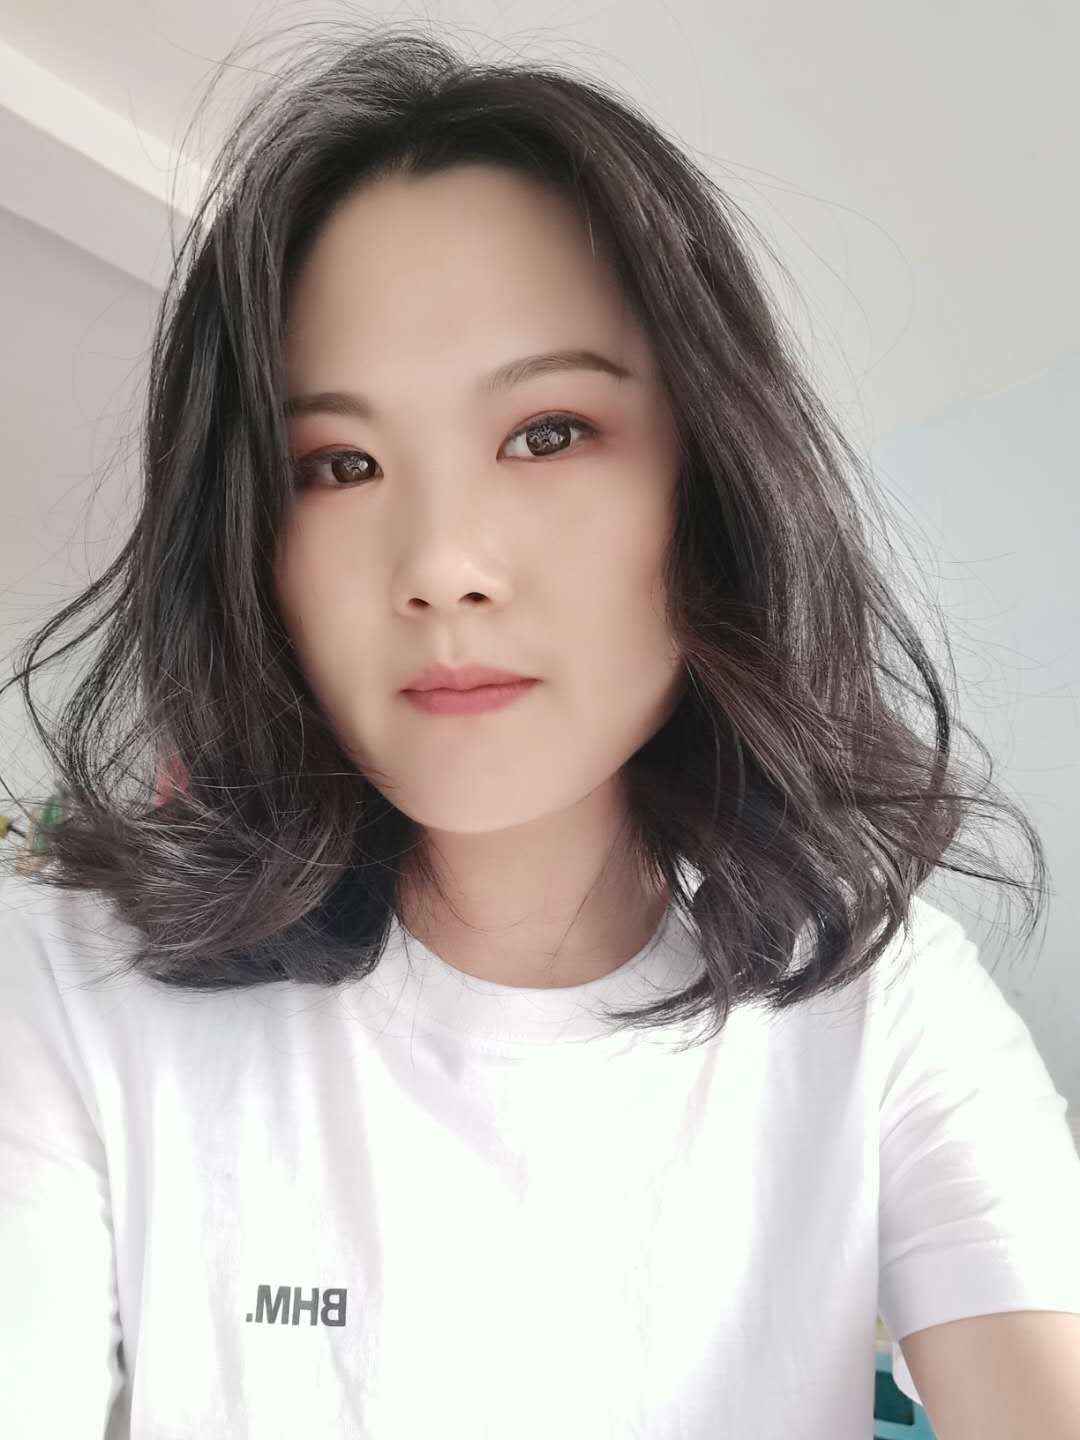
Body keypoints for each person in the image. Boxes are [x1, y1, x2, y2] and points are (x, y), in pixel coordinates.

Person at [2, 23, 1079, 1440]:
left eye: (547, 433)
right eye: (338, 464)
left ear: (708, 485)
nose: (443, 564)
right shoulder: (69, 979)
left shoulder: (885, 1003)